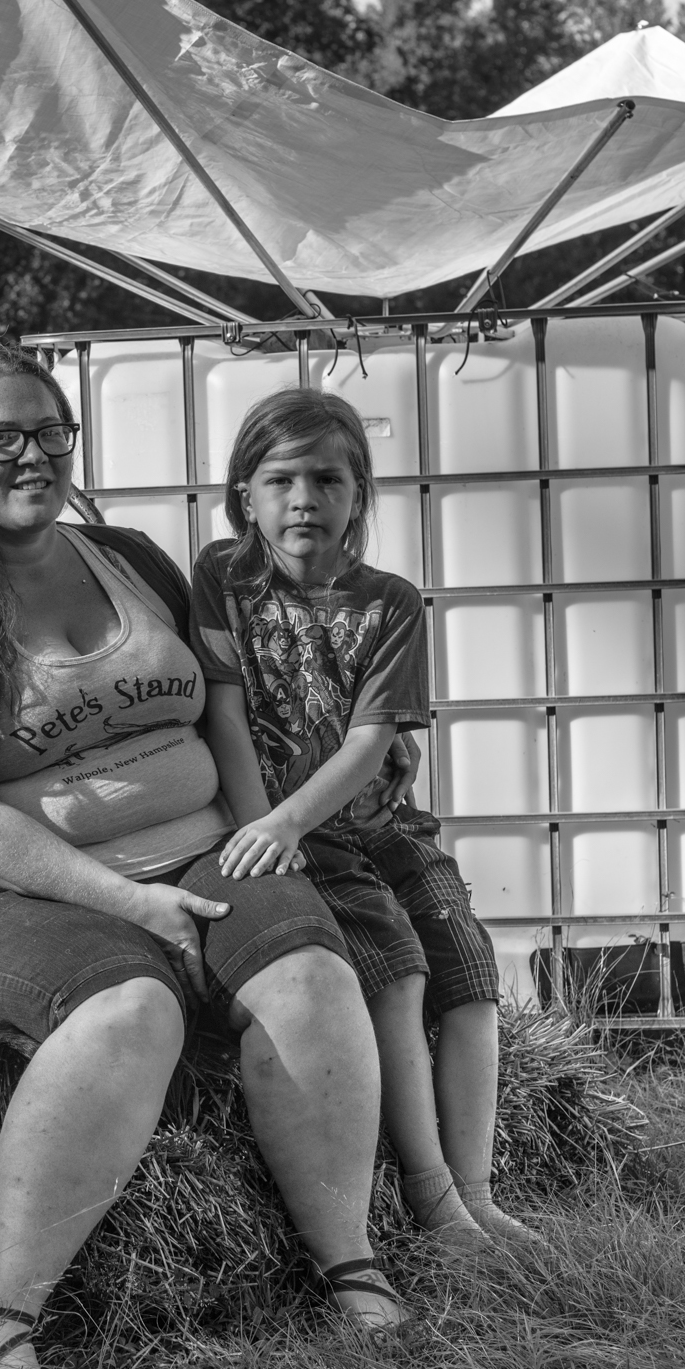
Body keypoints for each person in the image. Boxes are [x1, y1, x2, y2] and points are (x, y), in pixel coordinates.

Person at [0, 348, 405, 1369]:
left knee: (307, 972)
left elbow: (217, 716)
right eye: (1, 438)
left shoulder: (129, 559)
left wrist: (260, 849)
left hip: (196, 848)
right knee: (129, 1007)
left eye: (52, 432)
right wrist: (135, 908)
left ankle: (349, 1262)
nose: (34, 456)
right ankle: (0, 1318)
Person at [192, 387, 540, 1248]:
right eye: (278, 480)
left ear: (359, 494)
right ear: (244, 496)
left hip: (380, 820)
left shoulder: (390, 600)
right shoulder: (222, 578)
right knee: (396, 969)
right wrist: (262, 828)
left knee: (469, 967)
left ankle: (480, 1187)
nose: (302, 498)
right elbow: (225, 716)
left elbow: (366, 742)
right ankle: (432, 1198)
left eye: (326, 478)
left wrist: (289, 820)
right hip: (285, 828)